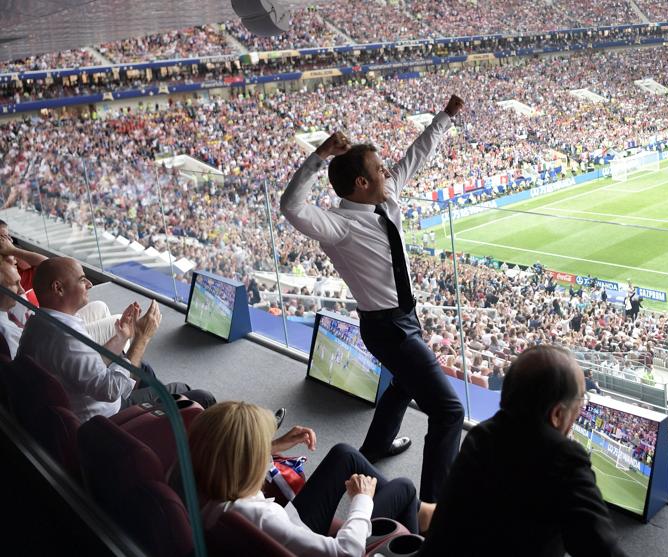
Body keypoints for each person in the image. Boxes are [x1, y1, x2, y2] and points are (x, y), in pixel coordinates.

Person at [281, 95, 466, 502]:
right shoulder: (338, 226)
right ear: (361, 184)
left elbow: (416, 156)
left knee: (404, 383)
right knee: (450, 411)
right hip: (386, 327)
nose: (389, 172)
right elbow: (291, 206)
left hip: (404, 318)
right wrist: (318, 157)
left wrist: (445, 118)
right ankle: (434, 510)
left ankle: (376, 446)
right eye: (381, 170)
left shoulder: (385, 198)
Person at [419, 346, 629, 557]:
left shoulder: (480, 436)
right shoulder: (564, 459)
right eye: (579, 402)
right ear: (557, 414)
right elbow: (602, 549)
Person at [190, 401, 435, 557]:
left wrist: (275, 445)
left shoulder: (200, 481)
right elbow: (346, 553)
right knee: (403, 488)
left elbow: (229, 456)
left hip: (291, 524)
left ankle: (421, 512)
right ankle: (419, 530)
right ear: (244, 464)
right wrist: (362, 500)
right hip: (303, 535)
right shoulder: (262, 518)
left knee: (344, 454)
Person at [17, 257, 215, 422]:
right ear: (58, 289)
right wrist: (141, 339)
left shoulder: (37, 324)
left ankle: (162, 411)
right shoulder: (67, 339)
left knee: (143, 369)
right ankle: (161, 416)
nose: (90, 284)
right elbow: (110, 390)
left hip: (78, 405)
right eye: (82, 280)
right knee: (197, 396)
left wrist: (122, 337)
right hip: (106, 419)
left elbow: (85, 364)